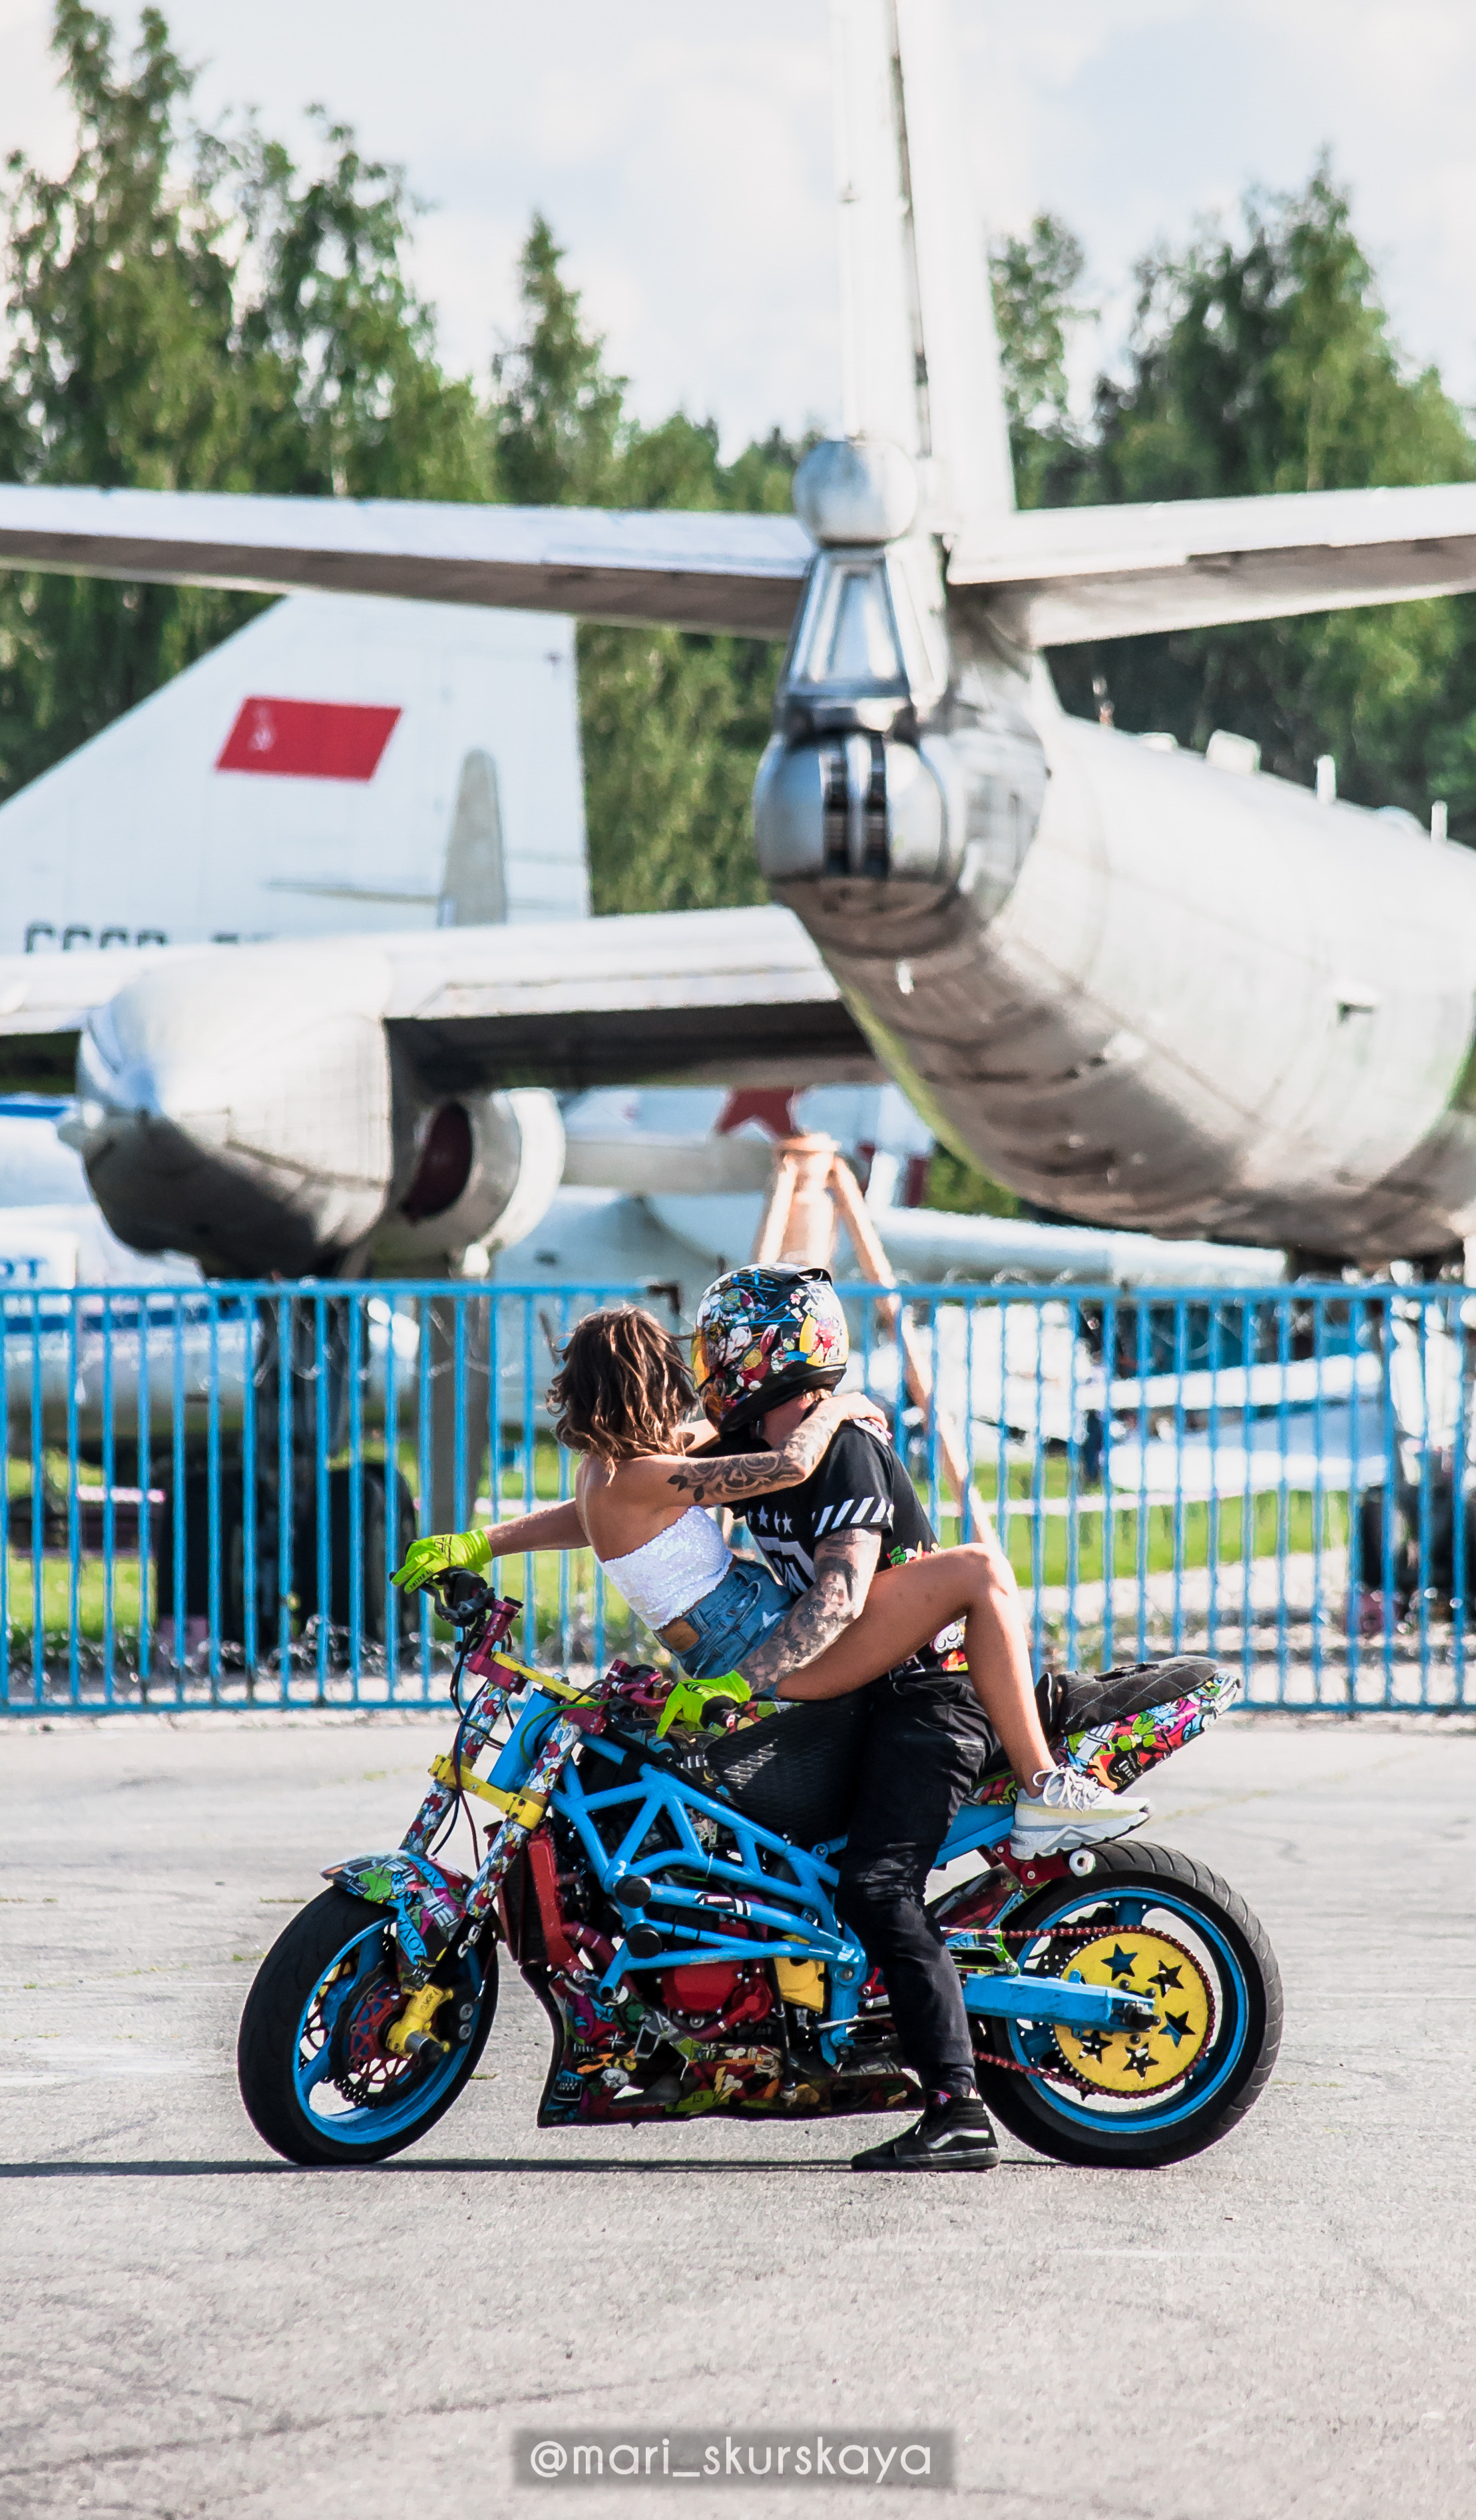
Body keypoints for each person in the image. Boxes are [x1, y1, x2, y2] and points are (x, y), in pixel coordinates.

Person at [394, 1273, 1146, 2172]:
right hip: (788, 1653)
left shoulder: (706, 1461)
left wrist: (739, 1680)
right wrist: (488, 1542)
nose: (701, 1371)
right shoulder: (670, 1465)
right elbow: (676, 1498)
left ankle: (962, 2083)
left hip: (900, 1680)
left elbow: (832, 1595)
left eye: (714, 1352)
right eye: (686, 1360)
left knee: (887, 1855)